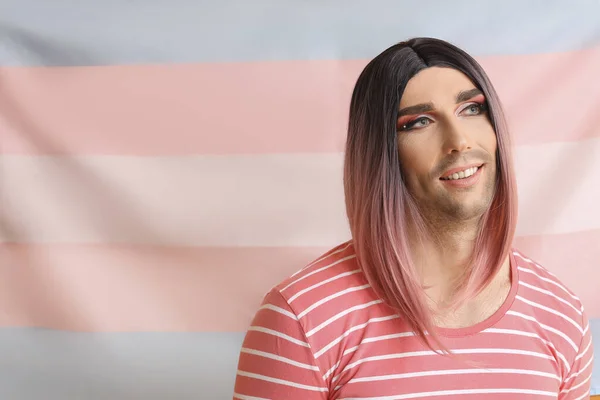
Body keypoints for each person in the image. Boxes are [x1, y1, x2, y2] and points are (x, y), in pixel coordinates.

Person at [232, 37, 593, 399]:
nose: (459, 141)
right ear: (381, 154)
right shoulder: (301, 320)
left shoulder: (561, 316)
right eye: (419, 121)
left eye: (471, 109)